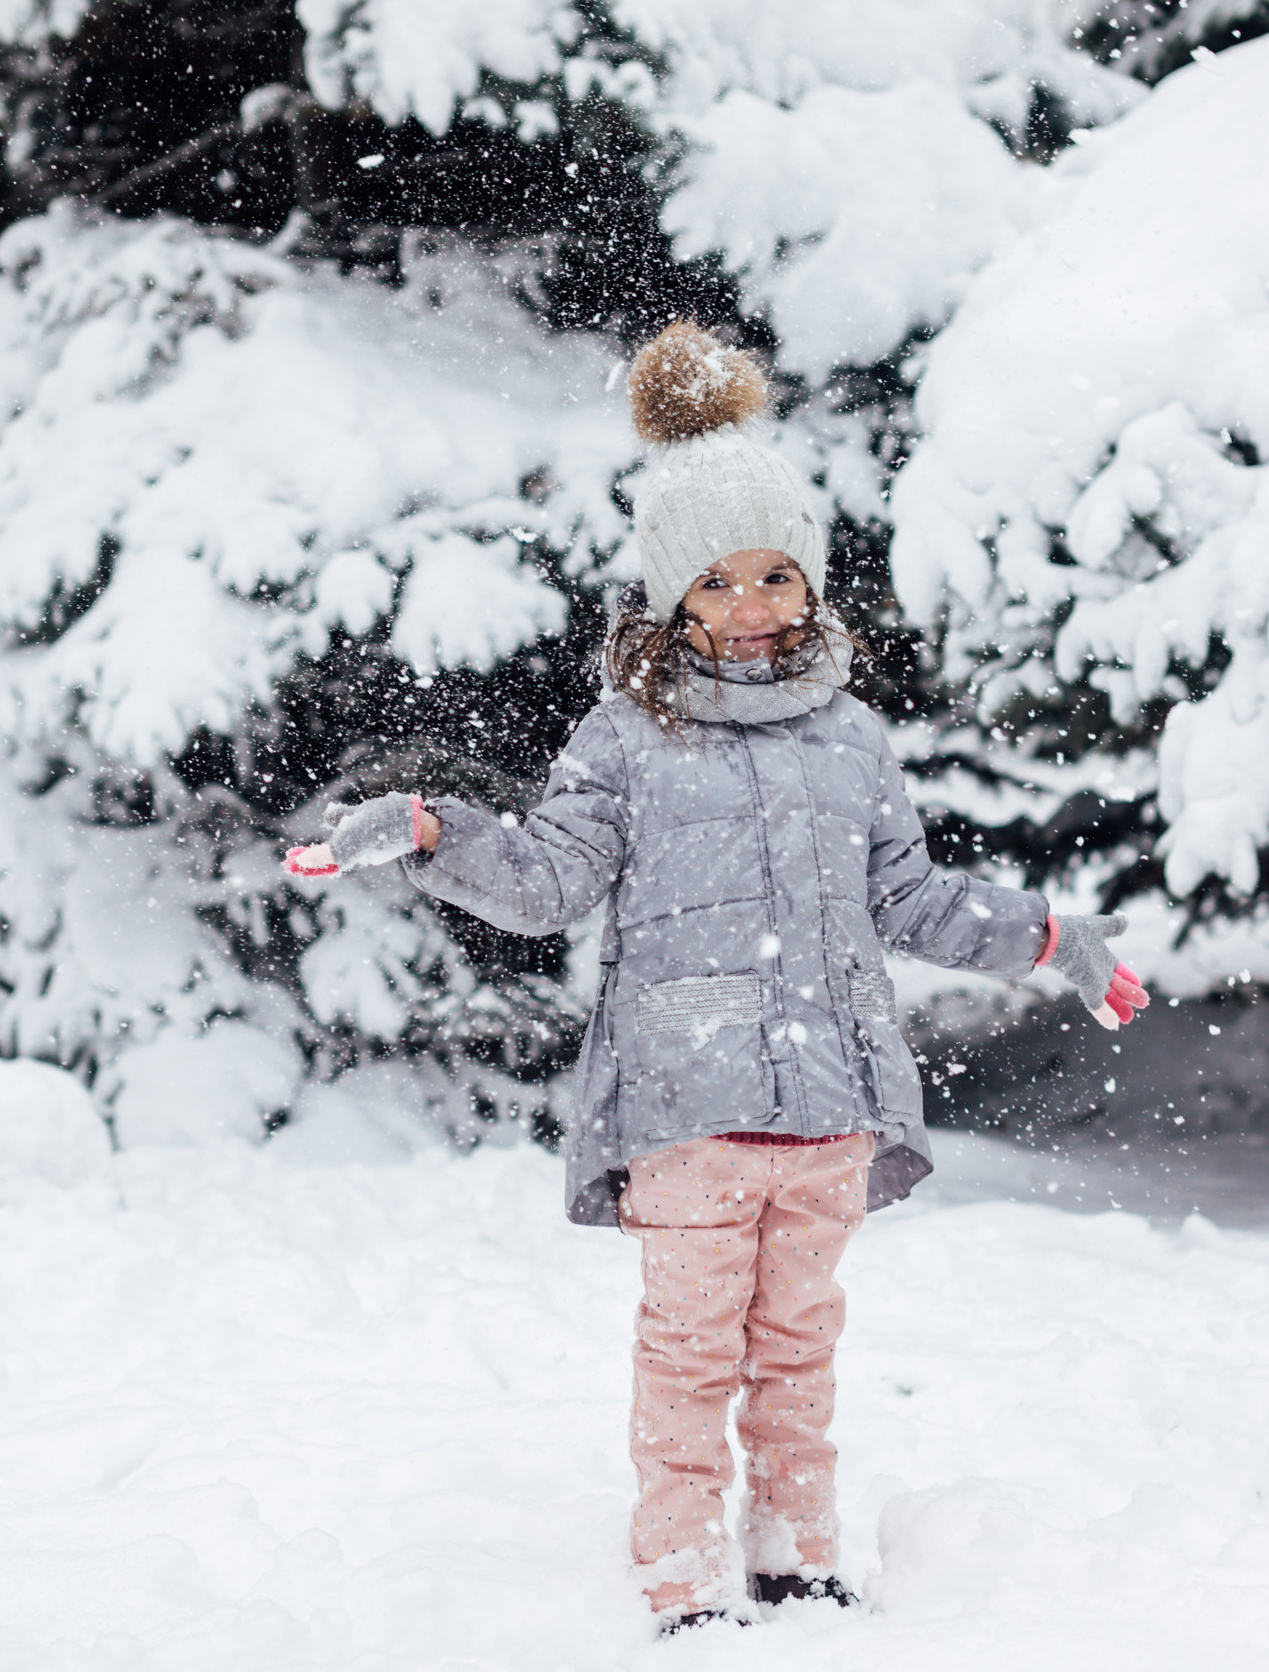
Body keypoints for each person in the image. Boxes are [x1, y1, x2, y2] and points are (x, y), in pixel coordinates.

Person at [283, 320, 1148, 1633]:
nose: (751, 609)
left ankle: (797, 1550)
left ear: (809, 587)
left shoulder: (854, 739)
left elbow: (909, 897)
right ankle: (682, 1577)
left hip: (831, 1107)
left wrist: (1049, 939)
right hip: (688, 1111)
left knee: (799, 1353)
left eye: (775, 578)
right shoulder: (623, 739)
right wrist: (430, 828)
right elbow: (544, 880)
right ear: (674, 600)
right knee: (691, 1355)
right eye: (719, 584)